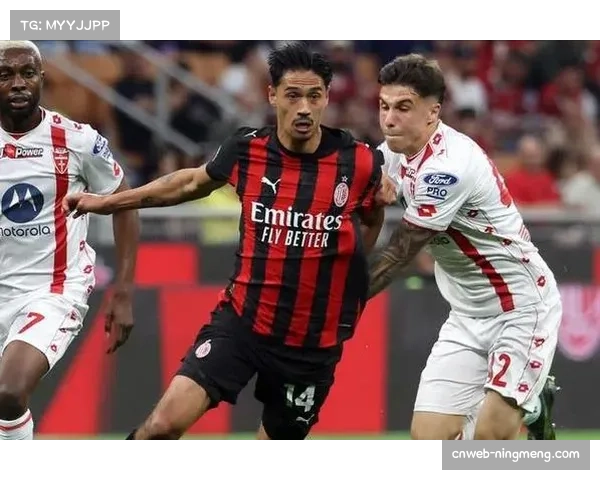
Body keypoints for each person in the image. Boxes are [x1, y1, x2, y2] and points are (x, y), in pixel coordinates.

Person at [64, 41, 386, 440]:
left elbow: (372, 215)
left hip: (311, 344)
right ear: (272, 95)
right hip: (242, 324)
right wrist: (108, 202)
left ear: (326, 98)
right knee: (162, 426)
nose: (304, 107)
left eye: (314, 96)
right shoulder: (246, 149)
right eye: (292, 95)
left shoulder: (359, 162)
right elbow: (187, 183)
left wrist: (346, 276)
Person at [370, 54, 561, 441]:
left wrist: (340, 304)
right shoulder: (390, 154)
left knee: (489, 441)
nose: (389, 119)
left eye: (403, 107)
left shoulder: (448, 165)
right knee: (428, 440)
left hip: (522, 308)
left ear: (432, 112)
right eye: (384, 106)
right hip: (466, 315)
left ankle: (534, 421)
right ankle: (533, 404)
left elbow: (400, 251)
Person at [0, 41, 140, 440]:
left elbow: (125, 203)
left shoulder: (77, 139)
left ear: (42, 79)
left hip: (54, 290)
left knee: (9, 392)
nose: (18, 83)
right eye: (5, 75)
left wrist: (124, 290)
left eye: (28, 73)